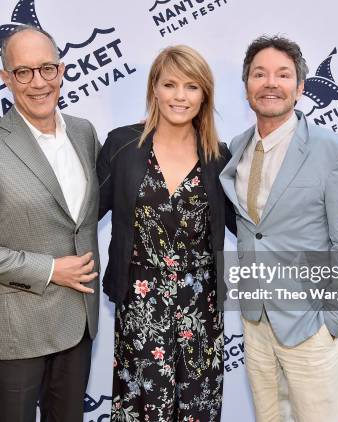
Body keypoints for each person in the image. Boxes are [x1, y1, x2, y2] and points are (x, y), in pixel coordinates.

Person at [0, 25, 100, 422]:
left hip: (77, 321)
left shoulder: (84, 132)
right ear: (5, 78)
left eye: (47, 68)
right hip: (15, 329)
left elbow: (83, 217)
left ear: (62, 70)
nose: (38, 82)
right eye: (24, 72)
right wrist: (50, 270)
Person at [219, 35, 338, 421]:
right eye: (260, 74)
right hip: (254, 321)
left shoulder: (331, 150)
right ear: (247, 86)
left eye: (283, 75)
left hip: (310, 324)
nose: (271, 83)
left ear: (300, 87)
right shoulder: (237, 147)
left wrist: (333, 322)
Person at [97, 45, 235, 421]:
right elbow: (85, 214)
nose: (179, 96)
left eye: (191, 86)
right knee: (144, 407)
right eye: (170, 84)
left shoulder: (221, 157)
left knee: (197, 406)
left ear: (204, 94)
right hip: (141, 302)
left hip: (201, 307)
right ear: (153, 89)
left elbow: (254, 227)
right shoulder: (122, 145)